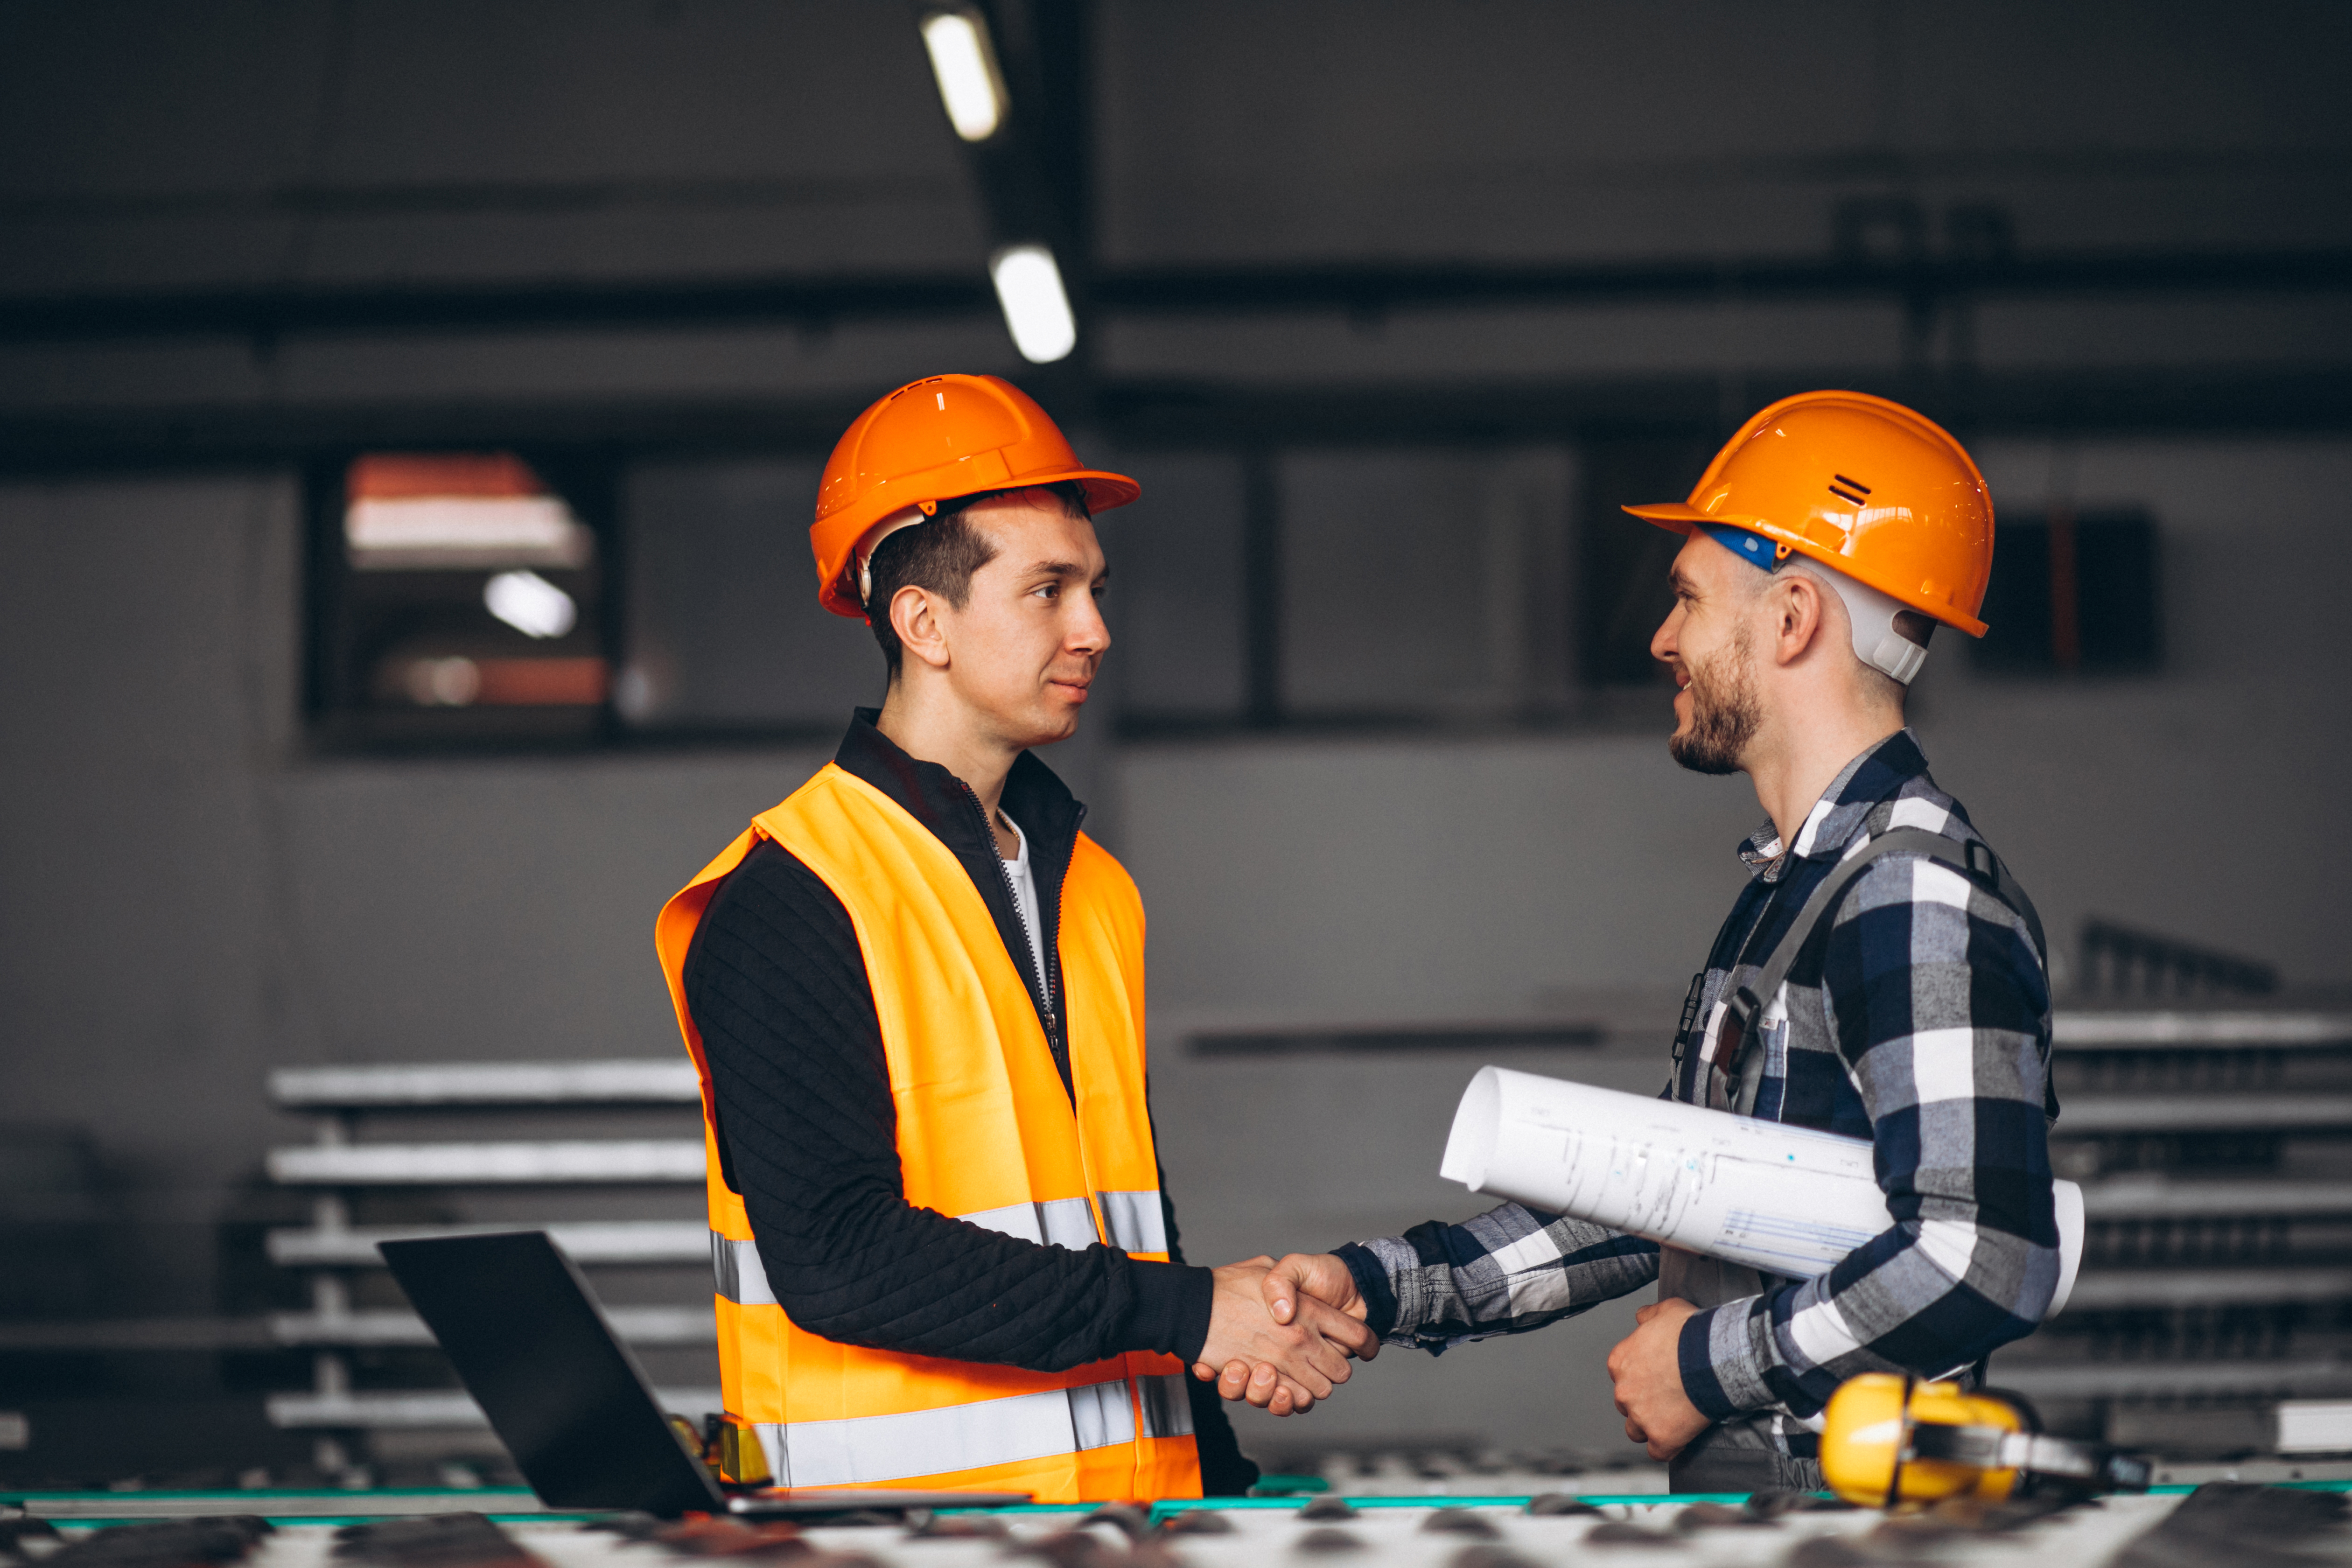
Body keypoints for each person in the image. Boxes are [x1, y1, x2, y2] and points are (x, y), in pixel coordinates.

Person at [1226, 391, 2061, 1494]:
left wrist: (1710, 1366)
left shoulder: (1911, 895)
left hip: (1859, 1515)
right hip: (1783, 1506)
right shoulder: (1796, 893)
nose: (1663, 638)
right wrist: (1377, 1285)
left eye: (1689, 598)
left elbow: (1985, 1257)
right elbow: (1671, 1200)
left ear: (1792, 617)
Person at [654, 374, 1374, 1505]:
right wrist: (1192, 1310)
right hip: (897, 1540)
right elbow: (839, 1259)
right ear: (923, 623)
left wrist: (1216, 1476)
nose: (1093, 629)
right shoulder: (790, 897)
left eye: (1093, 587)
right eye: (1048, 589)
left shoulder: (1091, 889)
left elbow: (1122, 1214)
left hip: (1126, 1521)